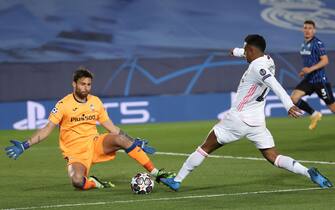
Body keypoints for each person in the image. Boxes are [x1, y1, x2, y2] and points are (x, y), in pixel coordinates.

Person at [161, 34, 333, 191]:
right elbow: (251, 55)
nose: (244, 53)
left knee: (205, 148)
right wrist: (236, 51)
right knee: (273, 156)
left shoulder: (257, 68)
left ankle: (177, 180)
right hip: (257, 122)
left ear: (250, 50)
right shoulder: (268, 59)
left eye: (245, 50)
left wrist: (288, 104)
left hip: (238, 118)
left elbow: (275, 85)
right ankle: (307, 171)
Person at [5, 67, 174, 190]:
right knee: (77, 182)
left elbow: (112, 128)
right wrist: (24, 145)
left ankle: (156, 173)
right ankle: (94, 182)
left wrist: (134, 141)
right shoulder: (63, 104)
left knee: (120, 139)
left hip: (95, 143)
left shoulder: (96, 102)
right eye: (82, 84)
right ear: (74, 84)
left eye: (88, 84)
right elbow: (47, 128)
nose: (86, 88)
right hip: (75, 152)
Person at [290, 20, 335, 130]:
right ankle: (315, 114)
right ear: (302, 30)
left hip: (320, 81)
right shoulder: (304, 44)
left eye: (310, 28)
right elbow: (309, 62)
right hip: (309, 80)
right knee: (294, 98)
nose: (307, 30)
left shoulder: (317, 44)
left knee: (333, 108)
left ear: (314, 30)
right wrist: (304, 71)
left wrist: (310, 69)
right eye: (305, 28)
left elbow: (325, 61)